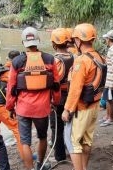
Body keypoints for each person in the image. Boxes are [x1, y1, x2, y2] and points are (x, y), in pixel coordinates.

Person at [5, 27, 61, 170]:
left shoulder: (17, 61)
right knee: (42, 137)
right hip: (42, 109)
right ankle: (39, 165)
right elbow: (56, 85)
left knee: (25, 142)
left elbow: (11, 88)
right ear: (38, 40)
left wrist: (10, 107)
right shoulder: (49, 59)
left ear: (23, 42)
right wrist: (55, 101)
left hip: (23, 109)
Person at [61, 23, 106, 170]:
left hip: (81, 108)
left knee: (73, 142)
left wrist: (67, 109)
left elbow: (75, 88)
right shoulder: (99, 56)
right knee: (87, 140)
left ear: (79, 40)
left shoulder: (82, 60)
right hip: (94, 106)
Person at [49, 28, 74, 162]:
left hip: (59, 97)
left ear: (54, 44)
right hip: (70, 95)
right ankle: (71, 149)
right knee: (69, 125)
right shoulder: (73, 57)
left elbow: (54, 81)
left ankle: (59, 156)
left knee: (56, 126)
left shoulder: (56, 60)